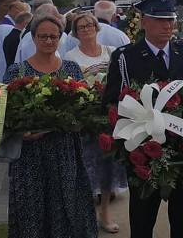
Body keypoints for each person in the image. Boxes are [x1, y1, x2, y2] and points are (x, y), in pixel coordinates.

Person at [102, 0, 183, 238]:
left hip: (181, 148)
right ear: (144, 22)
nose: (168, 25)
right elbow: (112, 102)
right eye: (160, 20)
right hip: (143, 151)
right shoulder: (126, 57)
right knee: (143, 217)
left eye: (171, 20)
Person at [3, 14, 98, 238]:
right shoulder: (17, 72)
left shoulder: (72, 70)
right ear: (33, 38)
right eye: (43, 36)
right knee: (31, 212)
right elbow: (2, 116)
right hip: (29, 157)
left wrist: (78, 123)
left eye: (53, 36)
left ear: (60, 39)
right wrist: (19, 132)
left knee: (68, 209)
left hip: (65, 153)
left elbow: (86, 109)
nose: (48, 41)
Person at [65, 12, 128, 234]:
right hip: (86, 121)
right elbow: (72, 88)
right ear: (75, 32)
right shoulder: (71, 57)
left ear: (96, 27)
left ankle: (105, 214)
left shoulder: (110, 52)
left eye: (90, 24)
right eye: (81, 27)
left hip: (108, 119)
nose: (86, 29)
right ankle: (83, 216)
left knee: (107, 169)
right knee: (87, 169)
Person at [0, 0, 30, 82]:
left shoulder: (4, 24)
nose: (24, 15)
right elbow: (12, 50)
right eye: (24, 12)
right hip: (7, 65)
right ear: (15, 11)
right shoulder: (8, 27)